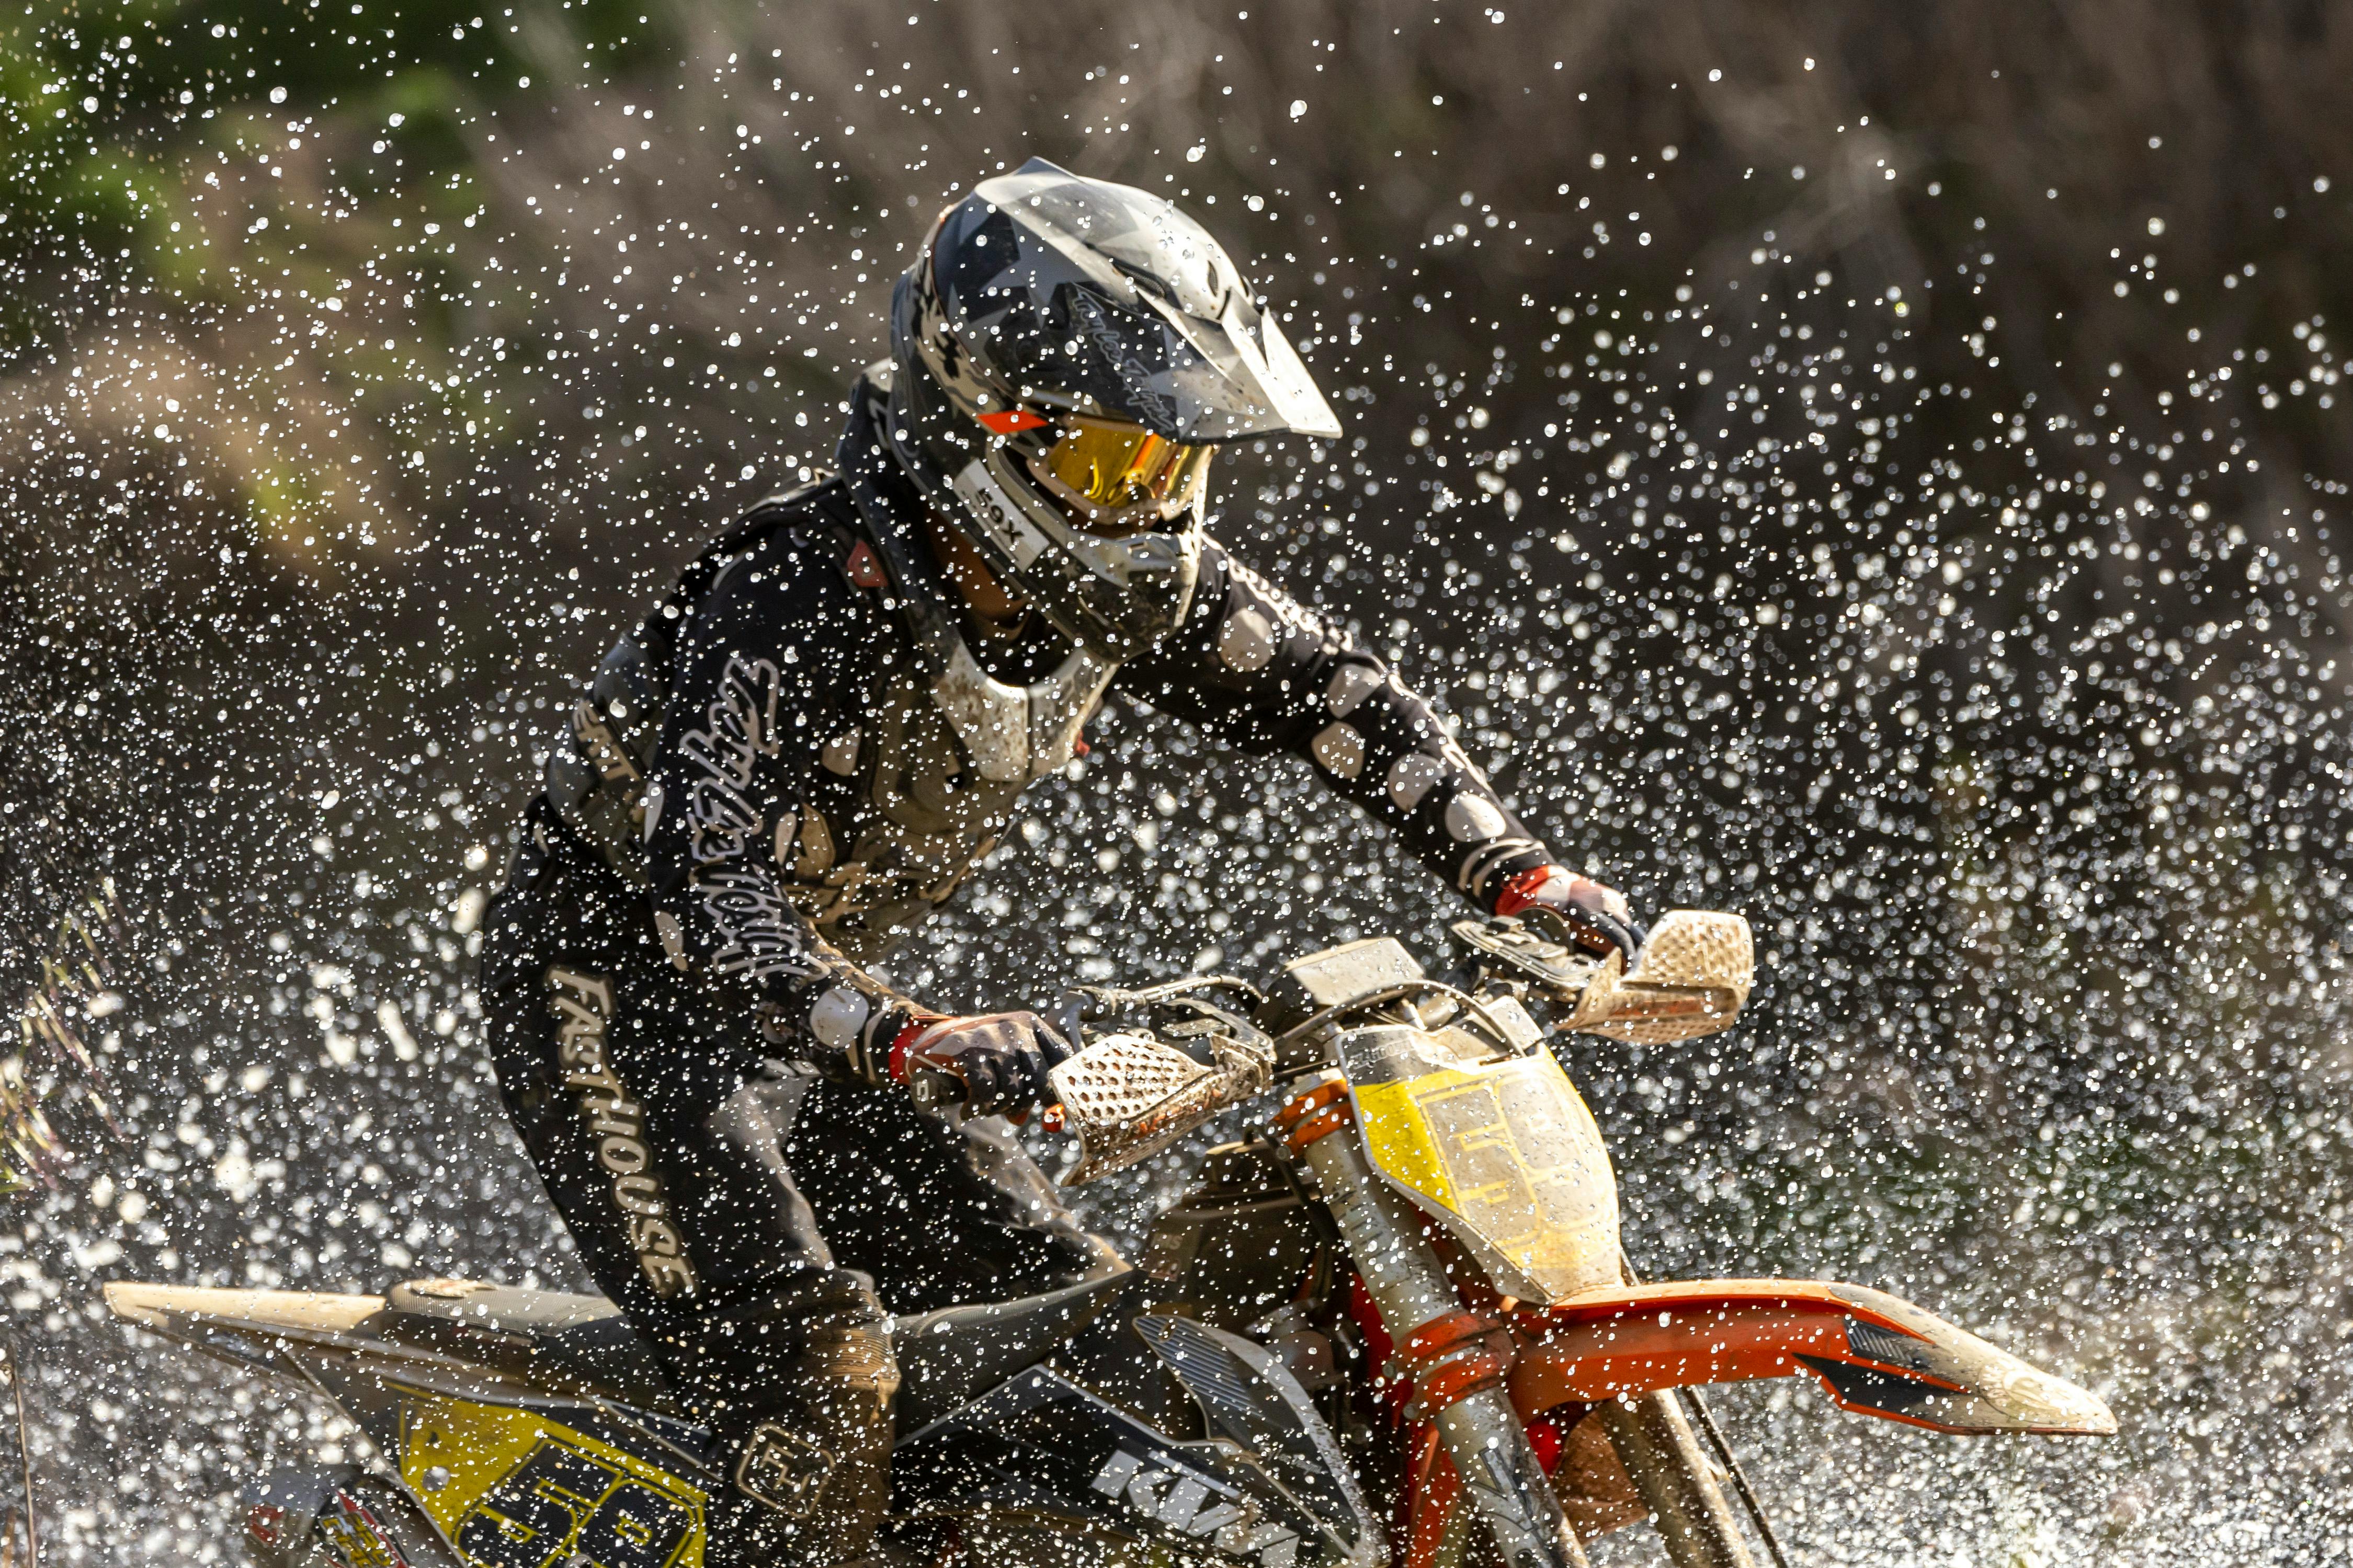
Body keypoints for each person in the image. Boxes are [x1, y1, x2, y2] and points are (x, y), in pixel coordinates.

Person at [479, 158, 1636, 1567]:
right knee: (813, 1390)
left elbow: (1337, 697)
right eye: (1107, 463)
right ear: (978, 429)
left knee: (1079, 1338)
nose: (1148, 510)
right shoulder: (783, 601)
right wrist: (911, 1039)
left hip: (837, 1022)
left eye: (1173, 466)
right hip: (617, 1007)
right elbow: (718, 914)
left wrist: (1510, 874)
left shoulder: (1110, 574)